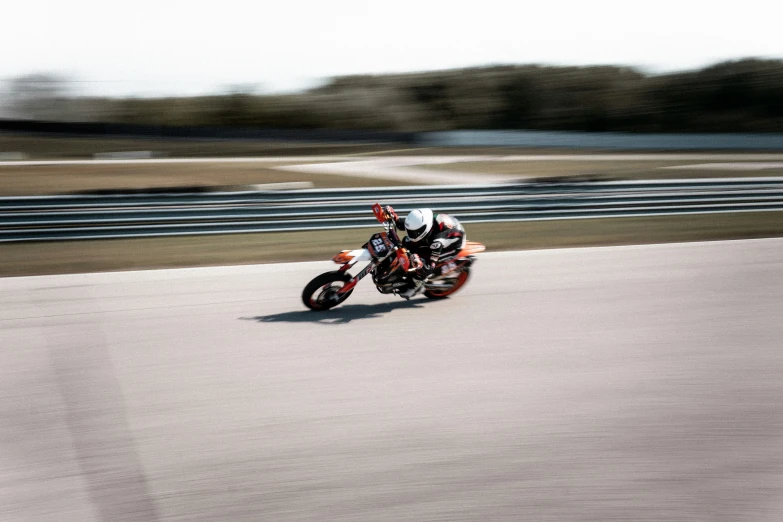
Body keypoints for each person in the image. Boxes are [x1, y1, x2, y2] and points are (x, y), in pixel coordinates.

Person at [384, 206, 466, 298]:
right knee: (407, 242)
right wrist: (393, 216)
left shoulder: (438, 241)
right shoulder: (424, 222)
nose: (411, 234)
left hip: (451, 246)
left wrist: (421, 265)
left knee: (422, 262)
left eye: (414, 232)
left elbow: (430, 267)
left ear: (425, 228)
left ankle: (416, 286)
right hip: (444, 234)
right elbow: (401, 224)